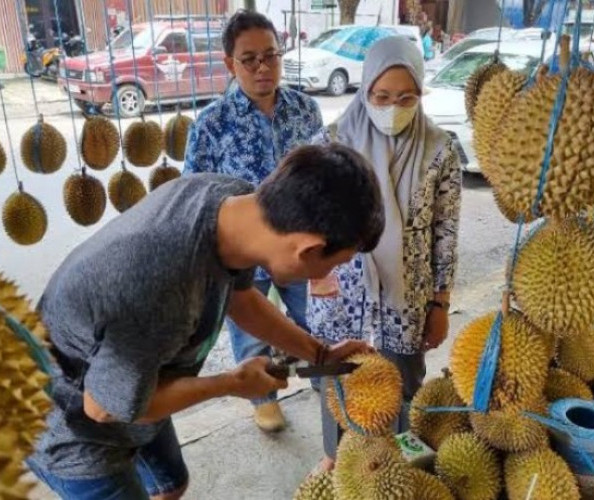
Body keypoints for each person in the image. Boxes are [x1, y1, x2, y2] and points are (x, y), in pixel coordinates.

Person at [26, 144, 384, 500]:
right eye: (337, 262)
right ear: (307, 248)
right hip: (72, 427)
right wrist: (230, 383)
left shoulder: (233, 203)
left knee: (169, 485)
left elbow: (240, 297)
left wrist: (320, 354)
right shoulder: (158, 283)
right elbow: (104, 408)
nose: (330, 273)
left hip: (137, 375)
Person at [307, 36, 462, 471]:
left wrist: (440, 303)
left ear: (420, 95)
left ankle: (392, 465)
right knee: (337, 382)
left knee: (403, 382)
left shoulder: (440, 150)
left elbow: (445, 235)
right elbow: (307, 219)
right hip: (341, 294)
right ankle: (336, 459)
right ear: (365, 91)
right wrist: (318, 279)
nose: (393, 107)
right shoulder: (330, 143)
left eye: (406, 97)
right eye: (382, 96)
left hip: (406, 298)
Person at [184, 10, 324, 432]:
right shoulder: (210, 125)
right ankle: (262, 396)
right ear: (230, 64)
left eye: (271, 55)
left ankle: (323, 377)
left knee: (314, 317)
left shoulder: (306, 109)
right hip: (244, 255)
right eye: (249, 59)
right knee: (250, 329)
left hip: (301, 245)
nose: (263, 67)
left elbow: (323, 178)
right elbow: (195, 197)